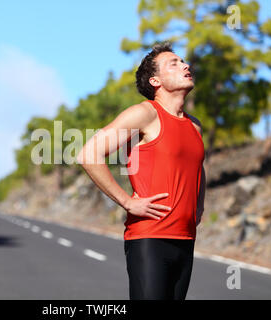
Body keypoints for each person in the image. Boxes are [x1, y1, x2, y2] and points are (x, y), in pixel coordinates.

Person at [76, 41, 206, 300]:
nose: (186, 65)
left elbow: (198, 169)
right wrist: (126, 201)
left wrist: (198, 208)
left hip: (186, 239)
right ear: (155, 80)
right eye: (175, 63)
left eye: (183, 61)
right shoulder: (145, 114)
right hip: (150, 239)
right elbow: (88, 154)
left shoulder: (195, 126)